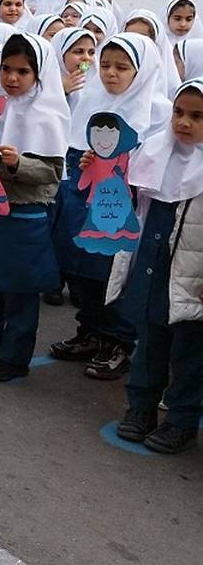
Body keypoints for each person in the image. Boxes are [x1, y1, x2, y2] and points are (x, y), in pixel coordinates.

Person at [49, 33, 170, 379]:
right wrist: (85, 158)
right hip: (83, 198)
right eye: (105, 65)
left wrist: (125, 164)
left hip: (123, 205)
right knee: (81, 268)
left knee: (113, 275)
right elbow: (72, 145)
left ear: (142, 71)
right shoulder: (90, 99)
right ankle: (88, 330)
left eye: (121, 67)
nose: (110, 74)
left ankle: (117, 341)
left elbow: (157, 164)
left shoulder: (156, 111)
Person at [0, 31, 69, 382]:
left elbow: (52, 172)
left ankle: (13, 355)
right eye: (6, 69)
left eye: (23, 71)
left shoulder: (47, 115)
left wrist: (17, 164)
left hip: (23, 215)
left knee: (18, 290)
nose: (11, 78)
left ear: (39, 74)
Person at [108, 79, 203, 454]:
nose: (184, 122)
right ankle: (140, 408)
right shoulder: (155, 153)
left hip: (193, 275)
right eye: (179, 113)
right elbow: (135, 201)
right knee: (149, 341)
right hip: (152, 262)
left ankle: (181, 420)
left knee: (190, 354)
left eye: (197, 116)